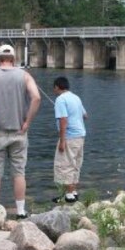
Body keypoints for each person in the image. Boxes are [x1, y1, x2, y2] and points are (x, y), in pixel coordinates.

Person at [0, 44, 41, 218]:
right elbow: (36, 97)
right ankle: (21, 211)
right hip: (19, 131)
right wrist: (27, 122)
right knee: (19, 173)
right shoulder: (25, 75)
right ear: (14, 58)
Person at [52, 76, 87, 204]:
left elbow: (63, 121)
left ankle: (69, 196)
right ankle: (73, 192)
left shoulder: (60, 100)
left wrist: (62, 141)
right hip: (80, 136)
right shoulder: (76, 97)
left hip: (70, 137)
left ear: (57, 87)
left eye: (54, 88)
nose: (54, 90)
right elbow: (85, 115)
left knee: (64, 165)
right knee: (75, 164)